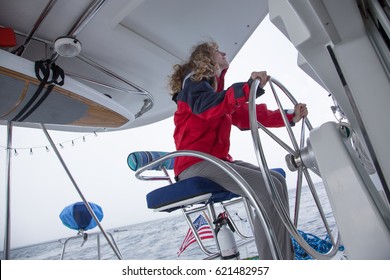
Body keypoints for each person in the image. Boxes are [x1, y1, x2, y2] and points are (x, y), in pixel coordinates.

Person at [169, 40, 308, 260]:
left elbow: (250, 115)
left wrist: (290, 115)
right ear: (205, 58)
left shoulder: (218, 96)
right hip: (194, 164)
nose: (223, 52)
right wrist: (245, 88)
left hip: (216, 161)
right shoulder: (193, 84)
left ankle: (281, 256)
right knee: (267, 188)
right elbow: (205, 106)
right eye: (216, 51)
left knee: (276, 181)